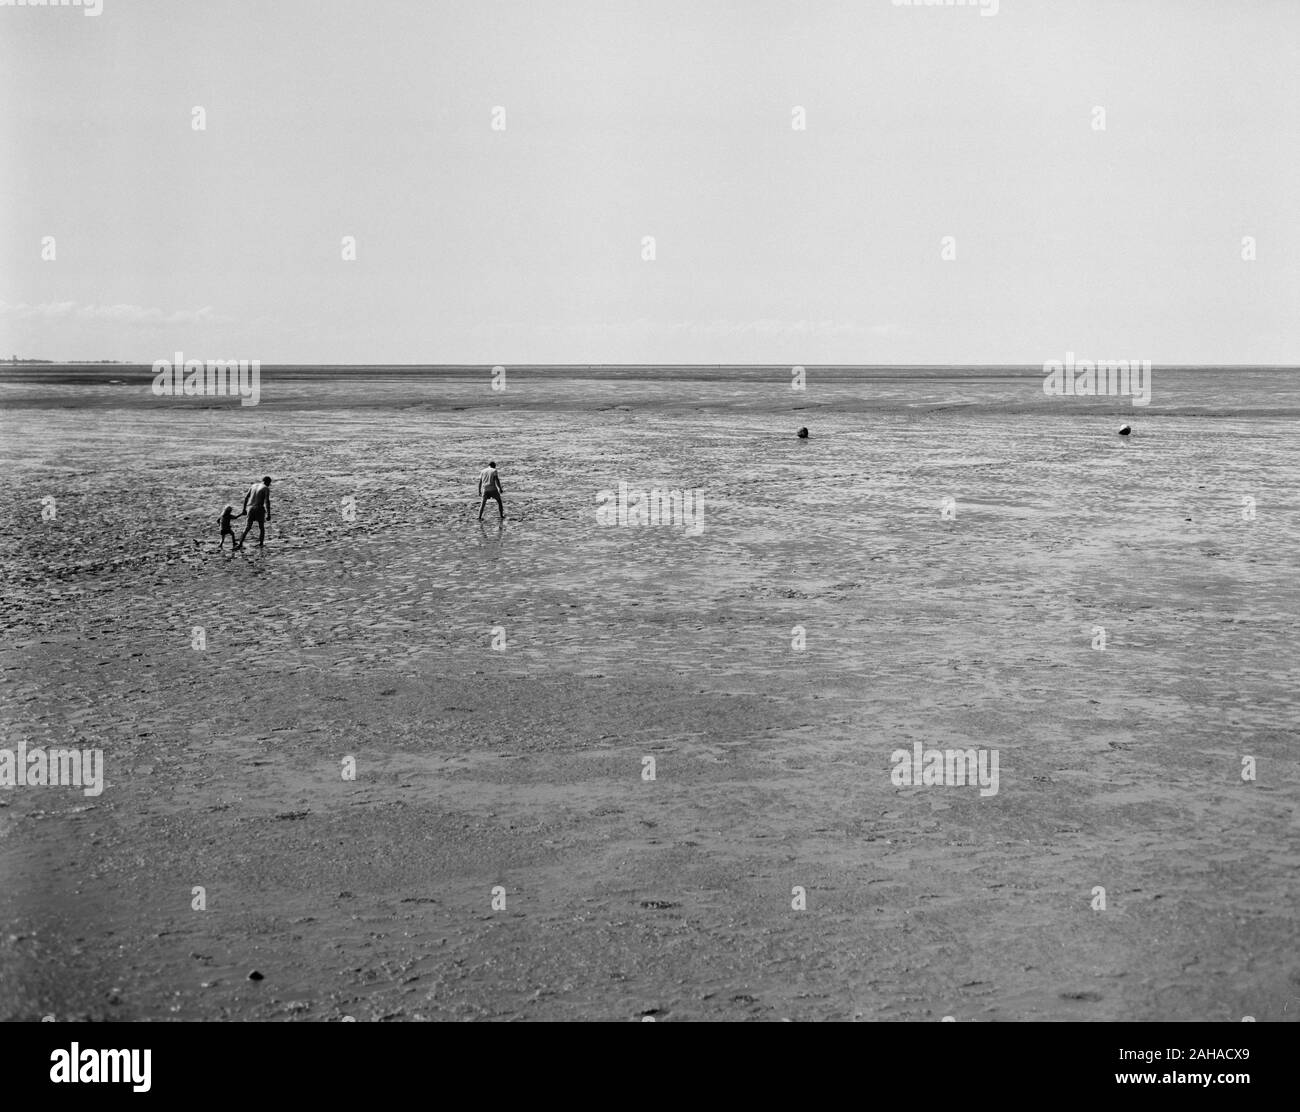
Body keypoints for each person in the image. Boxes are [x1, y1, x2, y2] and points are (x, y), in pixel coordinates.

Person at [237, 476, 272, 548]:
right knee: (261, 527)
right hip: (259, 508)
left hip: (250, 508)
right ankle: (261, 543)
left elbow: (246, 497)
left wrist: (244, 509)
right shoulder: (265, 488)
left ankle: (240, 543)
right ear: (267, 482)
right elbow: (267, 501)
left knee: (247, 527)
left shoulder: (253, 486)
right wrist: (268, 513)